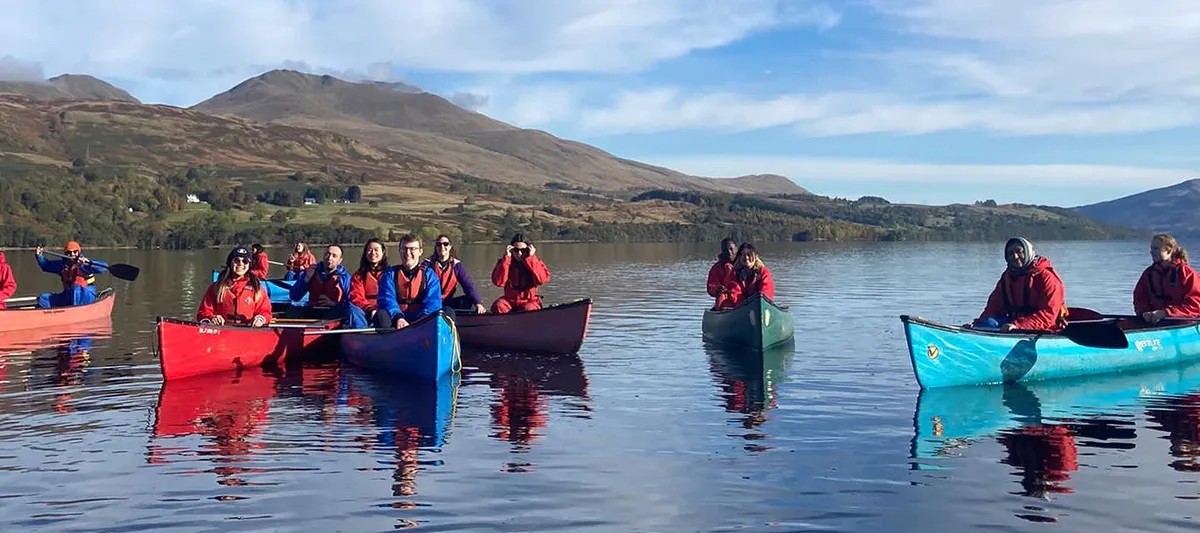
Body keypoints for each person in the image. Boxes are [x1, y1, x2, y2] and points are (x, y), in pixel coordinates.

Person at [970, 237, 1068, 333]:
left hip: (1046, 327)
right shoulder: (1007, 277)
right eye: (1010, 253)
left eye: (1019, 251)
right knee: (988, 322)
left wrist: (1018, 325)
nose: (1015, 256)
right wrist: (977, 325)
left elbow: (1048, 315)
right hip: (1015, 324)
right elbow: (993, 308)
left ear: (1029, 252)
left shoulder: (1047, 278)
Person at [377, 234, 443, 329]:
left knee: (446, 312)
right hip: (397, 320)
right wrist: (398, 318)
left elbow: (433, 302)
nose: (407, 253)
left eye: (412, 249)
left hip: (423, 320)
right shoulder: (390, 274)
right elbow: (387, 299)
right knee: (381, 315)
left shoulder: (429, 275)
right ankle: (390, 338)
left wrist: (422, 319)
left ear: (420, 251)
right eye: (404, 249)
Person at [1133, 233, 1200, 325]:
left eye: (1156, 249)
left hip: (1183, 321)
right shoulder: (1149, 273)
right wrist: (1144, 312)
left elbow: (1196, 304)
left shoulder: (1186, 273)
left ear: (1169, 251)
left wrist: (1166, 312)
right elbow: (1140, 298)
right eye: (1151, 248)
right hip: (1156, 321)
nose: (1151, 252)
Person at [196, 246, 272, 327]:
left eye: (245, 261)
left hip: (248, 331)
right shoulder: (216, 288)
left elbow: (265, 312)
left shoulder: (257, 289)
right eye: (236, 260)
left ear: (249, 265)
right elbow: (203, 312)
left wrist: (260, 318)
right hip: (222, 330)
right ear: (230, 263)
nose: (240, 264)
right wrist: (211, 318)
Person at [34, 242, 109, 309]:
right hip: (68, 295)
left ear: (79, 252)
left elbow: (103, 267)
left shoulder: (85, 264)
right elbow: (46, 265)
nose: (72, 254)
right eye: (69, 252)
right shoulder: (62, 265)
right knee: (43, 298)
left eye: (75, 252)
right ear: (65, 254)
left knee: (76, 290)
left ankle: (75, 312)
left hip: (86, 294)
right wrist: (39, 256)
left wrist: (89, 263)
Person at [424, 234, 487, 314]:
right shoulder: (427, 264)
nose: (442, 247)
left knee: (470, 301)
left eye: (445, 244)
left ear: (450, 246)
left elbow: (468, 286)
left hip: (447, 302)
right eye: (439, 244)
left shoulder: (456, 265)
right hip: (430, 302)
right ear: (436, 247)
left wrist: (478, 303)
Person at [490, 233, 551, 314]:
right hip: (510, 300)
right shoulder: (504, 262)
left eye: (523, 250)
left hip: (530, 300)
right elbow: (499, 282)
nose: (519, 253)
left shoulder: (536, 262)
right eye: (516, 250)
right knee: (499, 306)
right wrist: (507, 258)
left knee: (529, 309)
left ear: (528, 250)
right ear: (511, 250)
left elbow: (542, 280)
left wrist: (531, 258)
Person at [287, 244, 350, 319]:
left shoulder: (345, 278)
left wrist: (334, 304)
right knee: (292, 310)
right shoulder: (311, 271)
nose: (329, 258)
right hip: (312, 311)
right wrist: (306, 279)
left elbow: (351, 303)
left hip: (334, 312)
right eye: (327, 254)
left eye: (334, 256)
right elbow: (294, 296)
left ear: (339, 260)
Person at [716, 243, 775, 310]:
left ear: (755, 256)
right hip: (741, 307)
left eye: (749, 255)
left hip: (760, 305)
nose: (746, 258)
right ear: (739, 258)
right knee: (722, 297)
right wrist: (745, 307)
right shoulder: (734, 274)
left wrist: (758, 303)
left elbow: (766, 291)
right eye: (743, 255)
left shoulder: (763, 272)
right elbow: (735, 292)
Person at [346, 239, 389, 329]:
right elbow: (357, 297)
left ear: (383, 252)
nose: (373, 253)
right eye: (369, 250)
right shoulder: (358, 276)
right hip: (365, 311)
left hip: (385, 310)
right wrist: (370, 309)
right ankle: (361, 333)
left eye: (376, 250)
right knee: (352, 308)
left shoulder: (390, 273)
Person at [707, 238, 737, 309]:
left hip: (742, 300)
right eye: (725, 250)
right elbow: (711, 286)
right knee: (721, 296)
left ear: (736, 249)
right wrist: (717, 289)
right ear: (722, 252)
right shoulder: (717, 268)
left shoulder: (745, 264)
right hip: (725, 302)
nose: (729, 253)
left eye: (731, 249)